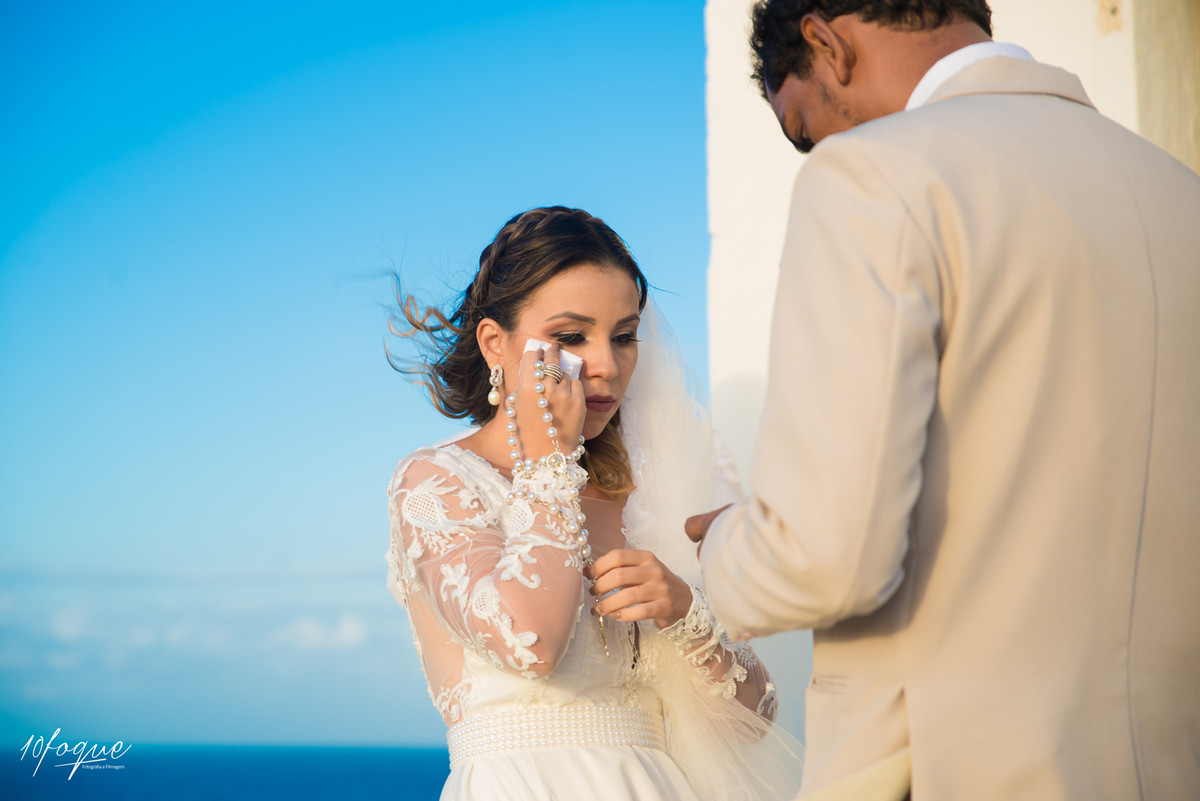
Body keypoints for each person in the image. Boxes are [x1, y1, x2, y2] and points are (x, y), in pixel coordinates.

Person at [686, 2, 1200, 799]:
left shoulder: (871, 175)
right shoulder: (1179, 192)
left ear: (826, 44)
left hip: (952, 768)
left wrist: (722, 547)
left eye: (804, 131)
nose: (816, 152)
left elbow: (822, 558)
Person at [385, 206, 803, 800]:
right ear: (495, 343)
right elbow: (531, 643)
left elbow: (755, 721)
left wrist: (683, 610)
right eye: (571, 337)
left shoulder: (648, 494)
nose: (606, 365)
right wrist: (549, 460)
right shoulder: (436, 483)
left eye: (625, 337)